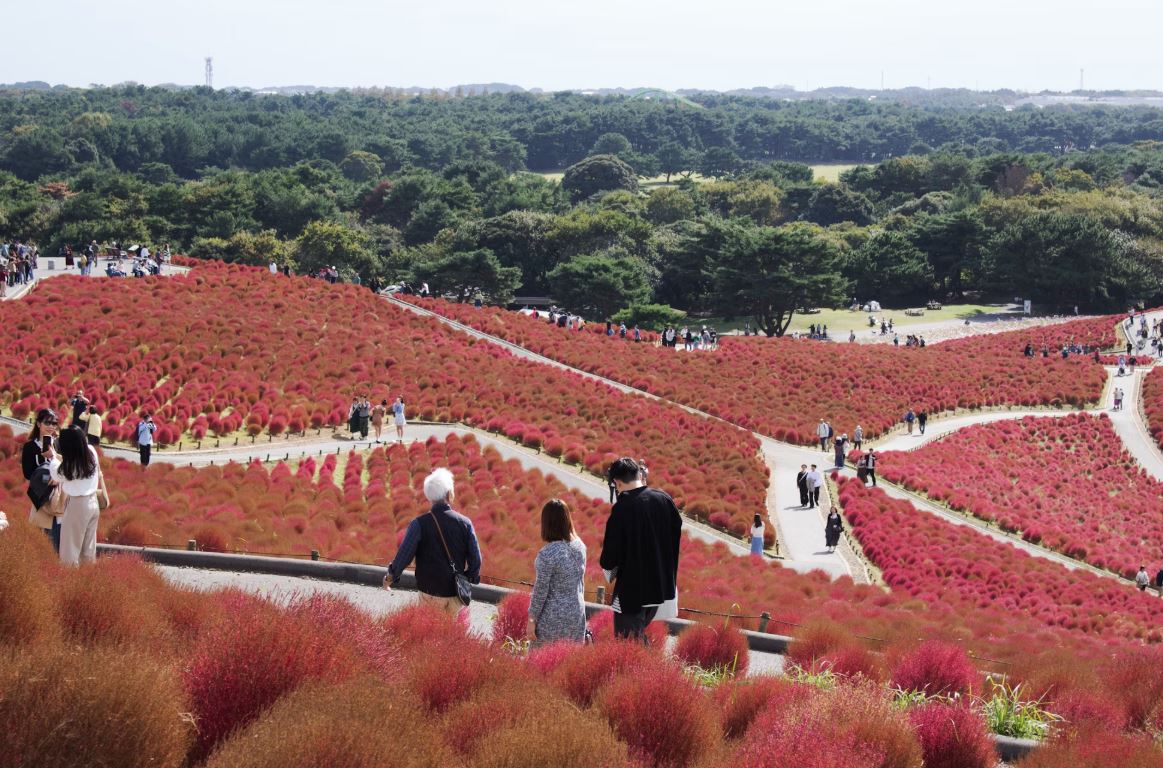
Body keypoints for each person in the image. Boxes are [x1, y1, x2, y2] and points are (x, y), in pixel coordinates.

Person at [599, 457, 682, 642]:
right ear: (639, 474)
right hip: (660, 587)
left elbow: (610, 557)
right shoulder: (664, 499)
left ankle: (649, 671)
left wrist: (609, 570)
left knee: (628, 645)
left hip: (632, 591)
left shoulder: (622, 509)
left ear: (617, 482)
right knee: (637, 639)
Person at [384, 468, 482, 616]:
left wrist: (390, 577)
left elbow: (404, 555)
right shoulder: (465, 523)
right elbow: (476, 559)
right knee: (450, 634)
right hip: (454, 594)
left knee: (431, 635)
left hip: (428, 592)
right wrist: (468, 578)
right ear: (449, 494)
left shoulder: (419, 524)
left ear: (430, 497)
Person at [527, 499, 587, 647]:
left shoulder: (547, 554)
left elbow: (540, 591)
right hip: (577, 614)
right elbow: (581, 583)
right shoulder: (580, 546)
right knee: (569, 664)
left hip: (551, 619)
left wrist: (531, 620)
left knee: (540, 664)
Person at [50, 426, 108, 566]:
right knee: (88, 551)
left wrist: (52, 456)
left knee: (69, 550)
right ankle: (87, 579)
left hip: (77, 506)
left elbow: (56, 473)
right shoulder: (91, 452)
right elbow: (70, 462)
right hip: (93, 504)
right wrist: (58, 456)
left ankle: (69, 582)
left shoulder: (71, 465)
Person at [23, 408, 62, 551]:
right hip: (40, 495)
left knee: (55, 540)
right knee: (39, 539)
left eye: (54, 423)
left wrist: (54, 460)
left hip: (59, 496)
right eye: (47, 423)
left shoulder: (59, 444)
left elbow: (67, 469)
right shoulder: (30, 446)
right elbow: (27, 473)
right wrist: (45, 473)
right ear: (39, 424)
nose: (51, 426)